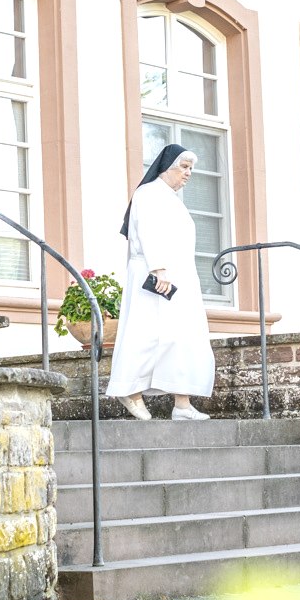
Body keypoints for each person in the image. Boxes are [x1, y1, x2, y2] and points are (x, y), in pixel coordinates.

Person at [107, 144, 215, 419]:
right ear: (167, 166)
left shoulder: (171, 199)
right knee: (145, 334)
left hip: (178, 278)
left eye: (191, 168)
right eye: (184, 167)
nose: (188, 173)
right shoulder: (148, 193)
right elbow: (148, 231)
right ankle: (130, 391)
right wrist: (158, 269)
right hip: (156, 276)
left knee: (182, 338)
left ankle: (182, 404)